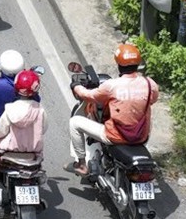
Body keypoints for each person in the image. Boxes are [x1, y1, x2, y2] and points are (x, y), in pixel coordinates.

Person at [69, 42, 161, 176]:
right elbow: (152, 100)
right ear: (138, 63)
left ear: (118, 64)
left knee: (75, 122)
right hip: (141, 136)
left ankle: (82, 165)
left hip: (115, 136)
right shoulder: (149, 84)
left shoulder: (112, 86)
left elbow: (89, 96)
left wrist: (76, 86)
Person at [0, 69, 45, 191]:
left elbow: (1, 130)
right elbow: (43, 128)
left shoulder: (10, 109)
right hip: (33, 149)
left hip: (10, 148)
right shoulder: (40, 110)